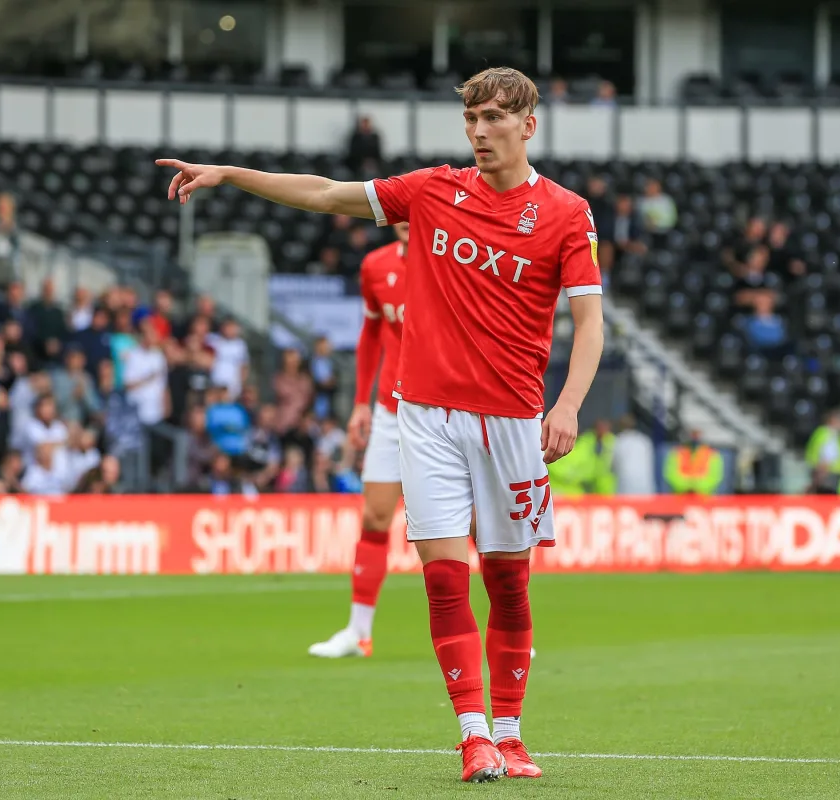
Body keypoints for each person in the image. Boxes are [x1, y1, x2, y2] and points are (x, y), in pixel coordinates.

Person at [158, 65, 604, 783]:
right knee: (443, 580)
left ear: (528, 124)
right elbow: (325, 194)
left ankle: (514, 734)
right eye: (472, 119)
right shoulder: (432, 190)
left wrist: (571, 403)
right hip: (424, 416)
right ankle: (473, 735)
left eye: (494, 118)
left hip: (514, 423)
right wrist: (230, 174)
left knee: (510, 584)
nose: (480, 131)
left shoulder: (566, 212)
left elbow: (589, 324)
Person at [309, 222, 410, 660]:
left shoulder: (456, 260)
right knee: (374, 516)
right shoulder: (376, 265)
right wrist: (361, 403)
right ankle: (358, 632)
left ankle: (509, 632)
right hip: (391, 407)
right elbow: (371, 333)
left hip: (448, 410)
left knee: (477, 526)